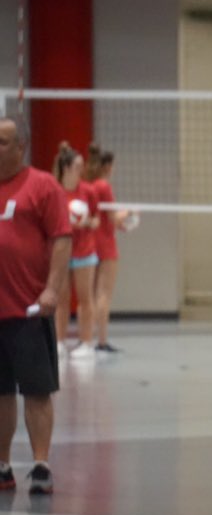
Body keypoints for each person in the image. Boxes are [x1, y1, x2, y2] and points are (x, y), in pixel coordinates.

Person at [0, 116, 71, 495]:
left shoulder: (42, 186)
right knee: (0, 393)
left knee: (37, 391)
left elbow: (61, 239)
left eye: (3, 142)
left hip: (28, 310)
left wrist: (52, 290)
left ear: (21, 146)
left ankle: (41, 465)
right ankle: (3, 465)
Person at [53, 142, 99, 361]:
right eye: (78, 166)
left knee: (85, 298)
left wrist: (86, 221)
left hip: (84, 251)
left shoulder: (88, 191)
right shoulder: (55, 191)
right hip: (62, 251)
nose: (82, 170)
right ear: (67, 168)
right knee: (60, 299)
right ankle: (59, 342)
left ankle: (87, 343)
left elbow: (97, 221)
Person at [86, 144, 129, 353]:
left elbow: (103, 218)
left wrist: (119, 224)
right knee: (104, 295)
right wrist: (128, 213)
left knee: (93, 295)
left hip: (93, 242)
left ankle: (91, 339)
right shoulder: (104, 186)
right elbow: (112, 217)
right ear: (107, 166)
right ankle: (101, 341)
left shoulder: (90, 185)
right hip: (106, 245)